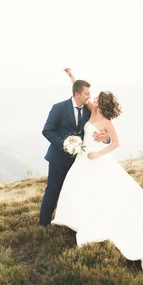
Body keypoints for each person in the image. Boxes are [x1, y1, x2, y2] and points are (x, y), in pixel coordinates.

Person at [51, 68, 143, 272]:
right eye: (93, 96)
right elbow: (80, 92)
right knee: (82, 191)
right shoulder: (92, 111)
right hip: (84, 160)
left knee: (104, 195)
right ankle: (79, 217)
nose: (93, 97)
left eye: (97, 97)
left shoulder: (106, 121)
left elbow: (116, 144)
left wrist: (97, 154)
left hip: (96, 160)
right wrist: (71, 76)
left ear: (102, 102)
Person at [39, 75, 111, 227]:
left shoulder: (89, 110)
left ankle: (72, 222)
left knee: (77, 192)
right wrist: (63, 145)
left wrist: (105, 138)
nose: (89, 97)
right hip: (58, 158)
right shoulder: (59, 107)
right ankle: (43, 224)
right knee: (53, 191)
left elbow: (104, 131)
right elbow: (47, 130)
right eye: (86, 94)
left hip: (80, 160)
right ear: (77, 94)